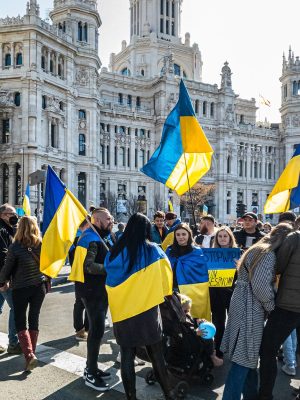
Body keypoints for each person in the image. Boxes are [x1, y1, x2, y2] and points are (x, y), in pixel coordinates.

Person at [105, 213, 175, 400]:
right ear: (146, 229)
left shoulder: (115, 251)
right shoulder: (154, 250)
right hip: (147, 310)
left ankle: (131, 397)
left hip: (122, 310)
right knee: (156, 355)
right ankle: (169, 393)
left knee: (127, 355)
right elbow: (167, 279)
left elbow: (108, 276)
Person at [221, 223, 294, 400]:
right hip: (250, 307)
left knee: (247, 358)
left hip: (244, 303)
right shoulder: (267, 254)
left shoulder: (259, 248)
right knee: (245, 358)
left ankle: (251, 396)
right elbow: (261, 287)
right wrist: (271, 307)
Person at [69, 207, 114, 392]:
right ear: (96, 220)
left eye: (111, 218)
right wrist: (110, 268)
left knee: (98, 330)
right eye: (108, 219)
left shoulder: (102, 237)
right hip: (91, 291)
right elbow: (88, 266)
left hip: (100, 291)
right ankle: (90, 372)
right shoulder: (91, 239)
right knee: (96, 331)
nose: (111, 221)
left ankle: (93, 367)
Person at [0, 216, 46, 371]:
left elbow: (7, 268)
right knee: (34, 318)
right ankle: (32, 352)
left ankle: (29, 355)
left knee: (20, 320)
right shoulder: (41, 244)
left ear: (19, 228)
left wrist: (1, 281)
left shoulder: (15, 247)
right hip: (39, 287)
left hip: (20, 288)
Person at [259, 227, 300, 400]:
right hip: (291, 303)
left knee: (268, 349)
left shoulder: (294, 238)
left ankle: (265, 394)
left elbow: (277, 266)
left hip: (288, 305)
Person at [166, 223, 211, 321]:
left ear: (189, 235)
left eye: (183, 234)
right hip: (173, 290)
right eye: (178, 235)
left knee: (193, 318)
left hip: (193, 290)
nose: (181, 237)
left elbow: (203, 272)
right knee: (176, 319)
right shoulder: (169, 251)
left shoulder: (197, 252)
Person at [211, 226, 239, 361]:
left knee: (234, 322)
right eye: (220, 236)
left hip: (232, 293)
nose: (222, 239)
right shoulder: (210, 254)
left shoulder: (238, 254)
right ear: (216, 238)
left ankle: (234, 349)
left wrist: (239, 266)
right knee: (218, 322)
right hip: (215, 293)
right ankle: (219, 349)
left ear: (230, 238)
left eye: (225, 236)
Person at [0, 203, 21, 355]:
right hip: (3, 278)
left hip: (4, 277)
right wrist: (3, 280)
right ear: (2, 215)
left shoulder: (10, 229)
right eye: (11, 214)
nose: (15, 216)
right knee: (16, 308)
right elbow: (2, 256)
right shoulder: (1, 230)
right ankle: (13, 344)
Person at [69, 218, 91, 341]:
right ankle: (80, 330)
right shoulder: (78, 239)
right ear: (85, 225)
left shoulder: (84, 237)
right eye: (90, 225)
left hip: (85, 275)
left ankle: (87, 328)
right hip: (80, 274)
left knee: (87, 303)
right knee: (80, 303)